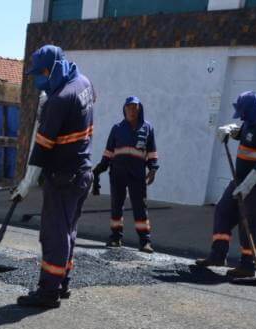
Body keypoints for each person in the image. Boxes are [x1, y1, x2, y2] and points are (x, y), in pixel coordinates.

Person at [11, 45, 94, 308]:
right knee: (68, 231)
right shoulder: (83, 82)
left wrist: (25, 184)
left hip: (63, 177)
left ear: (54, 69)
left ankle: (48, 292)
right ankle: (62, 283)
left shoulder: (59, 101)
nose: (38, 80)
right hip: (82, 172)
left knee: (53, 235)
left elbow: (41, 148)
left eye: (42, 74)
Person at [196, 91, 256, 277]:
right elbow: (247, 134)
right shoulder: (254, 117)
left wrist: (246, 187)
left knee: (249, 220)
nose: (242, 118)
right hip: (241, 178)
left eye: (244, 115)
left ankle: (247, 265)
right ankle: (218, 255)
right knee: (223, 209)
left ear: (252, 111)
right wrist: (232, 130)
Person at [93, 96, 158, 253]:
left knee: (140, 207)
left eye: (135, 107)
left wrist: (153, 169)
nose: (131, 110)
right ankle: (115, 238)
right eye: (129, 107)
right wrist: (101, 167)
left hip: (137, 174)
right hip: (117, 173)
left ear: (139, 108)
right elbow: (109, 150)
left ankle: (145, 242)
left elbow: (152, 151)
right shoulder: (117, 128)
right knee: (116, 205)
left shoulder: (147, 128)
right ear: (124, 109)